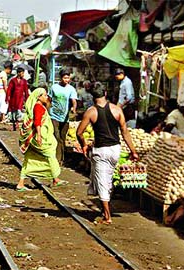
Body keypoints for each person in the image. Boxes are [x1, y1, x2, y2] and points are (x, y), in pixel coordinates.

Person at [76, 86, 138, 224]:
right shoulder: (117, 110)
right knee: (107, 179)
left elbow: (79, 132)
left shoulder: (91, 112)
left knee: (103, 183)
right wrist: (133, 151)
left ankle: (107, 216)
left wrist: (84, 145)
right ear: (105, 93)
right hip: (115, 150)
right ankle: (105, 208)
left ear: (93, 97)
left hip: (101, 151)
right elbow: (125, 132)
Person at [17, 88, 63, 191]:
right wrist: (39, 135)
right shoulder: (38, 107)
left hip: (37, 137)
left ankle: (20, 184)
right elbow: (37, 122)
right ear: (39, 97)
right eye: (45, 95)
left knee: (30, 159)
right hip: (41, 136)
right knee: (50, 154)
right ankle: (56, 178)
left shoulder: (39, 106)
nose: (47, 97)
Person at [49, 69, 77, 165]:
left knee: (62, 138)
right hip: (54, 115)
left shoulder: (71, 89)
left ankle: (61, 158)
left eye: (68, 78)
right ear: (61, 78)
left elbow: (74, 100)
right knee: (56, 136)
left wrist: (73, 108)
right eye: (65, 78)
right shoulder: (54, 87)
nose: (66, 80)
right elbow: (49, 99)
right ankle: (57, 159)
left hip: (65, 117)